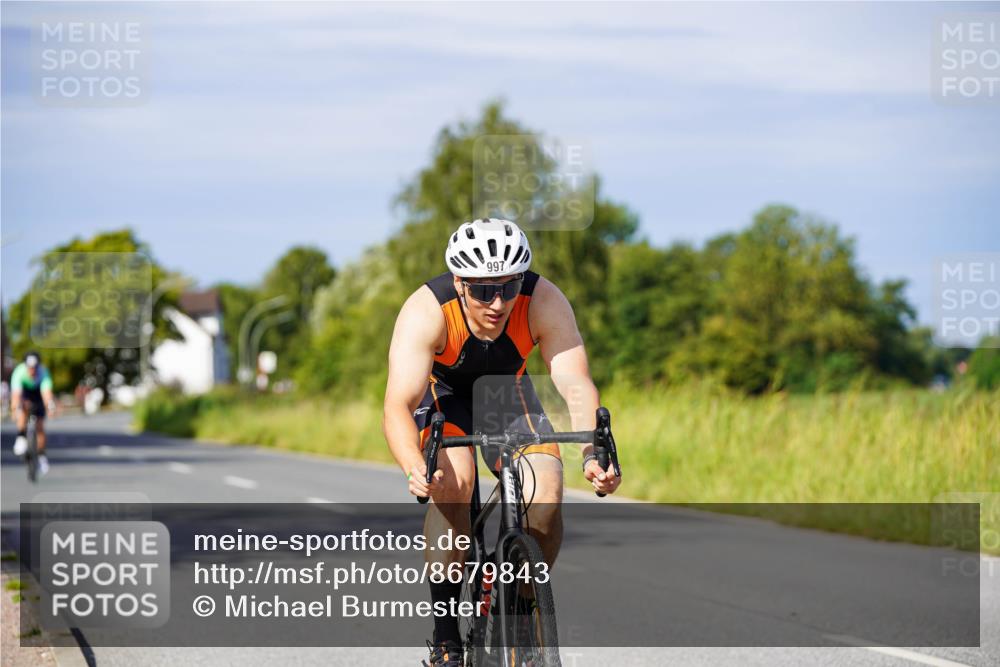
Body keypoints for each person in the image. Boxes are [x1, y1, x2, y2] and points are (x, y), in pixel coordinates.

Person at [383, 218, 621, 666]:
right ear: (459, 283)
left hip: (505, 394)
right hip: (444, 398)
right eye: (482, 291)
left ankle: (519, 605)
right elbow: (397, 404)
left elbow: (575, 382)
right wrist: (414, 465)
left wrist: (593, 451)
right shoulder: (426, 310)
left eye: (508, 289)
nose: (497, 303)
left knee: (547, 494)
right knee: (454, 487)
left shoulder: (544, 299)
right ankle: (446, 635)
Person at [10, 351, 56, 475]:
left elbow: (47, 394)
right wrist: (15, 410)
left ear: (38, 366)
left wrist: (50, 406)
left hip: (38, 395)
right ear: (25, 366)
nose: (32, 370)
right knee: (22, 408)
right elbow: (16, 396)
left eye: (34, 367)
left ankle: (41, 456)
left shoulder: (43, 373)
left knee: (40, 427)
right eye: (29, 367)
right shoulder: (19, 372)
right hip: (24, 394)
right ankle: (21, 437)